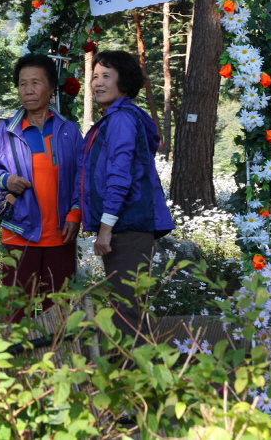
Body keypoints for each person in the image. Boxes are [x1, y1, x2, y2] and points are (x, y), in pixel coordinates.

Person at [0, 53, 84, 321]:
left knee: (56, 309)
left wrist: (74, 214)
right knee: (16, 307)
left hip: (61, 233)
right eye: (22, 84)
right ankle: (14, 360)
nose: (28, 90)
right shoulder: (5, 131)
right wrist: (5, 180)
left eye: (36, 83)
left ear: (51, 88)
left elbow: (82, 179)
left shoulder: (69, 131)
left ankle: (55, 361)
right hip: (19, 231)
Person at [79, 50, 174, 343]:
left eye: (106, 76)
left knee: (127, 314)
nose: (97, 83)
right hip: (128, 227)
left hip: (127, 227)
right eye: (95, 76)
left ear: (124, 82)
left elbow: (119, 175)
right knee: (128, 309)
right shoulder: (115, 119)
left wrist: (105, 229)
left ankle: (134, 382)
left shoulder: (121, 120)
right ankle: (134, 380)